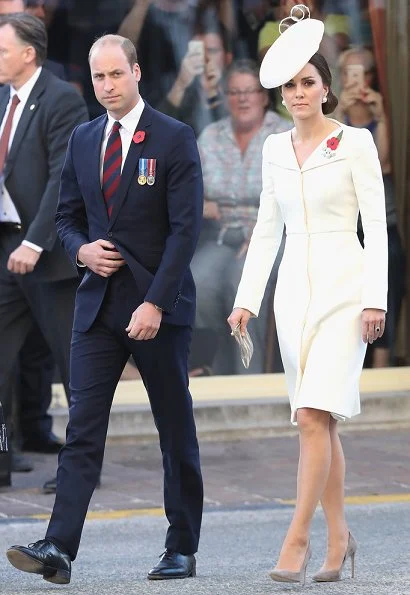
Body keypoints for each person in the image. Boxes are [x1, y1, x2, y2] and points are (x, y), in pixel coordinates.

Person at [6, 33, 204, 584]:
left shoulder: (174, 137)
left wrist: (155, 303)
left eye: (117, 74)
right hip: (96, 308)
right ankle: (58, 547)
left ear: (137, 72)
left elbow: (185, 232)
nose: (107, 86)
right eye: (98, 77)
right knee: (82, 429)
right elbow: (67, 218)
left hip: (157, 308)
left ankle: (182, 546)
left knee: (174, 429)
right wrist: (81, 249)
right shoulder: (84, 139)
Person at [228, 7, 387, 585]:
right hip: (292, 294)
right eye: (290, 84)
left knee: (314, 415)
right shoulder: (273, 149)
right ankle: (340, 538)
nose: (298, 93)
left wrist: (377, 300)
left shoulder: (357, 142)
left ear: (325, 89)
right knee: (318, 423)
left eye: (308, 82)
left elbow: (377, 223)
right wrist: (246, 298)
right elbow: (267, 230)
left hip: (348, 289)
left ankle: (295, 539)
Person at [0, 13, 88, 487]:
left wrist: (35, 241)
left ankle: (81, 468)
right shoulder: (1, 98)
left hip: (49, 257)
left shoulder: (62, 100)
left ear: (28, 54)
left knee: (76, 370)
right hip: (5, 251)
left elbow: (62, 177)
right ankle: (0, 459)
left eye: (2, 50)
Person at [191, 58, 291, 375]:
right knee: (198, 281)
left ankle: (252, 377)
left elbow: (296, 193)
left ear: (264, 97)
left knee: (242, 282)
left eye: (250, 91)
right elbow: (186, 188)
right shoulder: (210, 135)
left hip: (272, 235)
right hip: (221, 235)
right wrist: (202, 205)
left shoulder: (284, 134)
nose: (243, 98)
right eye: (235, 92)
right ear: (226, 97)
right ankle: (218, 374)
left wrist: (263, 230)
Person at [336, 46, 405, 367]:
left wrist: (380, 118)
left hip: (382, 221)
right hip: (346, 226)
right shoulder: (334, 119)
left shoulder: (383, 115)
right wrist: (337, 115)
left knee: (385, 296)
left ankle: (379, 372)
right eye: (349, 72)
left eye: (360, 72)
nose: (354, 80)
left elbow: (385, 165)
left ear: (371, 77)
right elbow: (330, 161)